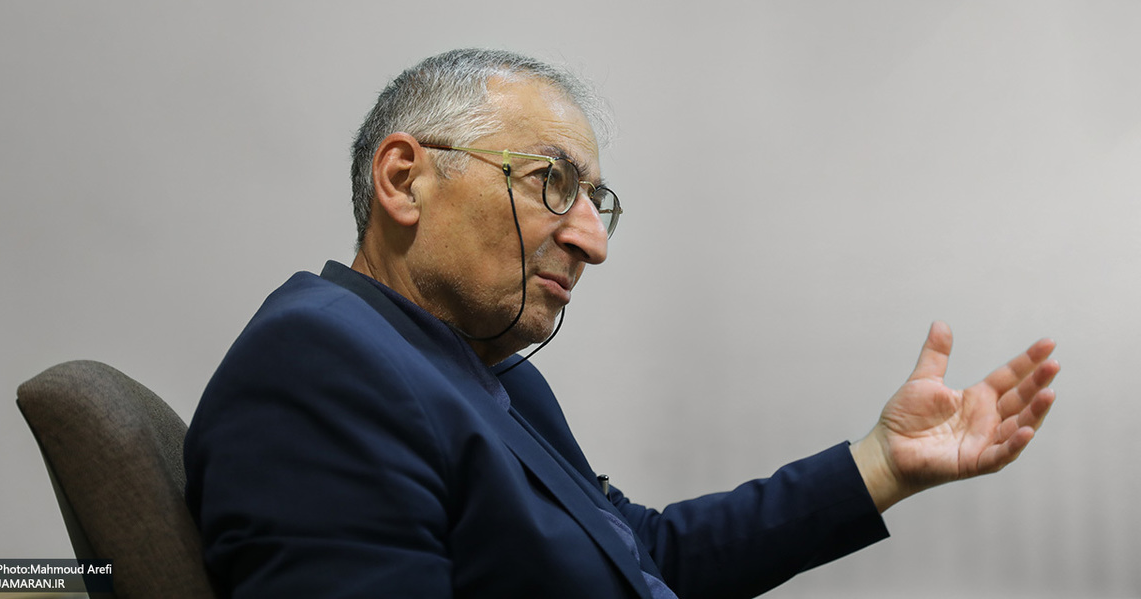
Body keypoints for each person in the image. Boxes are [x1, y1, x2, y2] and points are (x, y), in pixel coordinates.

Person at [183, 48, 1060, 599]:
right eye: (552, 183)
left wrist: (882, 463)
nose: (593, 242)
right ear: (404, 179)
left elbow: (640, 551)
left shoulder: (491, 373)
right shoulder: (319, 364)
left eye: (596, 202)